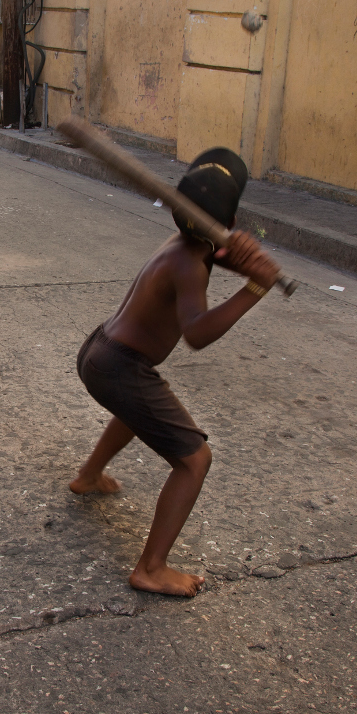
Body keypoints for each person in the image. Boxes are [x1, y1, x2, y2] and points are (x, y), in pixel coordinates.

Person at [69, 148, 282, 598]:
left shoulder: (185, 245)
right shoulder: (190, 260)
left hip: (99, 352)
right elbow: (198, 334)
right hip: (121, 366)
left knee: (136, 410)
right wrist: (255, 287)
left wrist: (240, 255)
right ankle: (151, 568)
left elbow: (211, 255)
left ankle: (89, 475)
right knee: (194, 460)